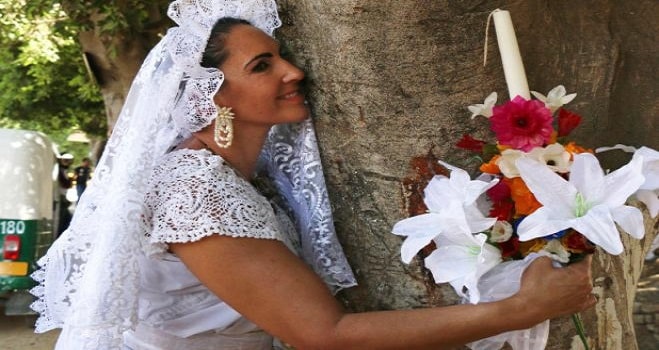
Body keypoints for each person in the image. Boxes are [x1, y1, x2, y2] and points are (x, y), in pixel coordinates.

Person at [31, 1, 596, 349]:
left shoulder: (238, 180)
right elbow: (322, 335)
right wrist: (520, 310)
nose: (293, 71)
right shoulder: (195, 190)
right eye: (262, 65)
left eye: (280, 56)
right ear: (210, 96)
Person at [55, 153, 74, 237]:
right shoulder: (59, 170)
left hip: (63, 196)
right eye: (65, 160)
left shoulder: (64, 171)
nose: (67, 162)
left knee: (66, 219)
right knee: (65, 220)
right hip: (60, 197)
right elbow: (66, 184)